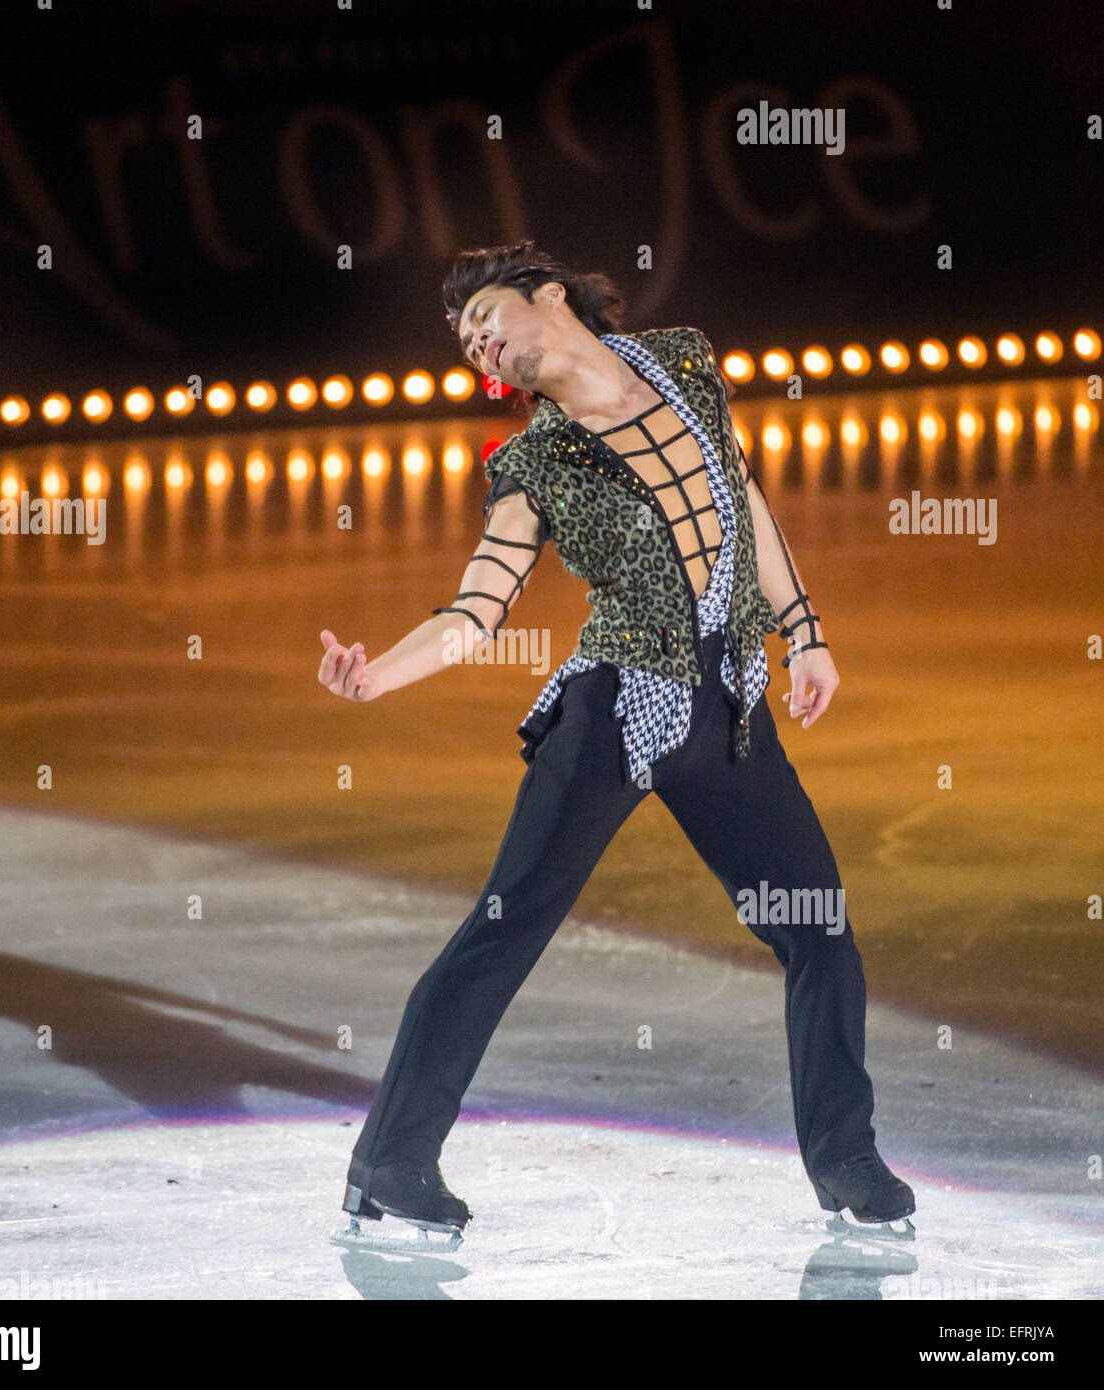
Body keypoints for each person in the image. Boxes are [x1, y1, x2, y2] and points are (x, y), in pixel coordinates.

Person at [318, 239, 915, 1249]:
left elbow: (741, 494)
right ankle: (389, 1162)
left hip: (728, 709)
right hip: (612, 715)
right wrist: (379, 672)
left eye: (485, 322)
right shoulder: (533, 462)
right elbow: (477, 607)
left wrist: (804, 630)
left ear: (547, 294)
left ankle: (846, 1158)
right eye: (465, 346)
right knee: (503, 931)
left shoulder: (683, 359)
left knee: (817, 928)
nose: (478, 348)